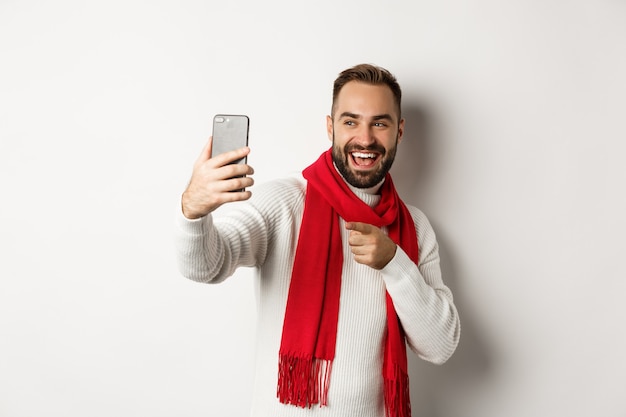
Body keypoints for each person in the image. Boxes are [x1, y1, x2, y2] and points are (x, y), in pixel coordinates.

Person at [175, 64, 461, 417]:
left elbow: (440, 346)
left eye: (380, 123)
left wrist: (394, 263)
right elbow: (205, 267)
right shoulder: (283, 202)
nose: (366, 138)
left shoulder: (415, 227)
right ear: (331, 127)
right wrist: (194, 211)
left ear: (399, 131)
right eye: (351, 121)